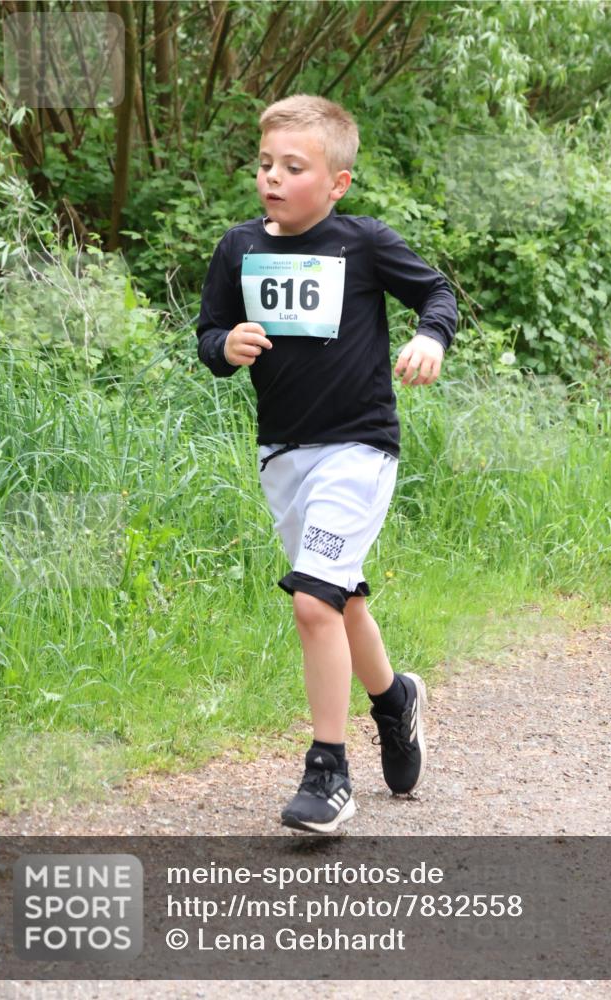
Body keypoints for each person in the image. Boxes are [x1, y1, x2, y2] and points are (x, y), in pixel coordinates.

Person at [197, 94, 457, 833]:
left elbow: (435, 292)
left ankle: (327, 771)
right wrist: (225, 347)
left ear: (336, 183)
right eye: (264, 164)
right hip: (283, 455)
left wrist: (430, 339)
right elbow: (209, 333)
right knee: (339, 601)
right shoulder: (237, 248)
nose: (271, 178)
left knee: (311, 601)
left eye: (292, 167)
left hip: (359, 446)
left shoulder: (362, 243)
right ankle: (394, 700)